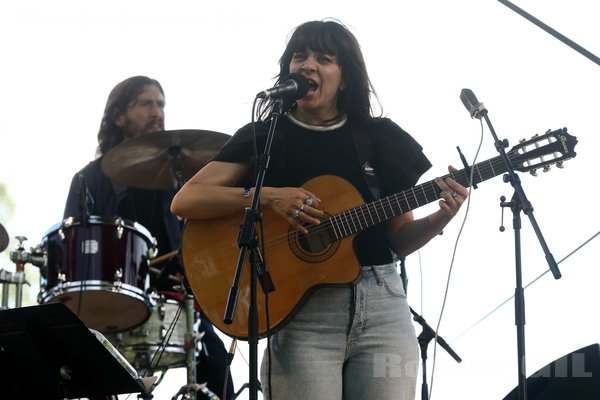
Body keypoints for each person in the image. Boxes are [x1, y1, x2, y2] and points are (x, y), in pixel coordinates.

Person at [170, 20, 468, 400]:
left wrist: (441, 216)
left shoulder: (381, 138)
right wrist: (266, 196)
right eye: (300, 56)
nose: (307, 65)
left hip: (383, 309)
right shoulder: (265, 134)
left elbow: (399, 239)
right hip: (301, 316)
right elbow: (186, 200)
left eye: (323, 58)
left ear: (344, 79)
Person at [63, 75, 234, 399]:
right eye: (146, 103)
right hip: (110, 303)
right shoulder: (89, 179)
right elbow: (74, 259)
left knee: (216, 368)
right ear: (119, 117)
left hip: (172, 300)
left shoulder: (179, 184)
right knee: (80, 370)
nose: (157, 112)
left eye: (161, 104)